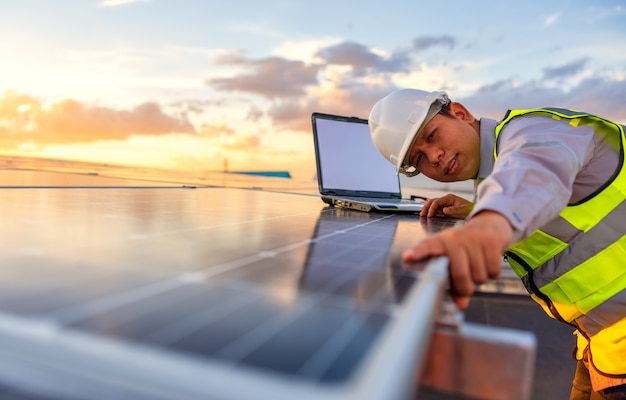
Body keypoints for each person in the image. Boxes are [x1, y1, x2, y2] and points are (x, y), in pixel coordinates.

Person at [368, 88, 626, 399]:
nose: (434, 156)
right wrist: (476, 210)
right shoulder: (493, 173)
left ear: (460, 113)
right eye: (419, 158)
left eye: (433, 135)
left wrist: (486, 226)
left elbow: (534, 171)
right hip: (600, 337)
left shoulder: (532, 131)